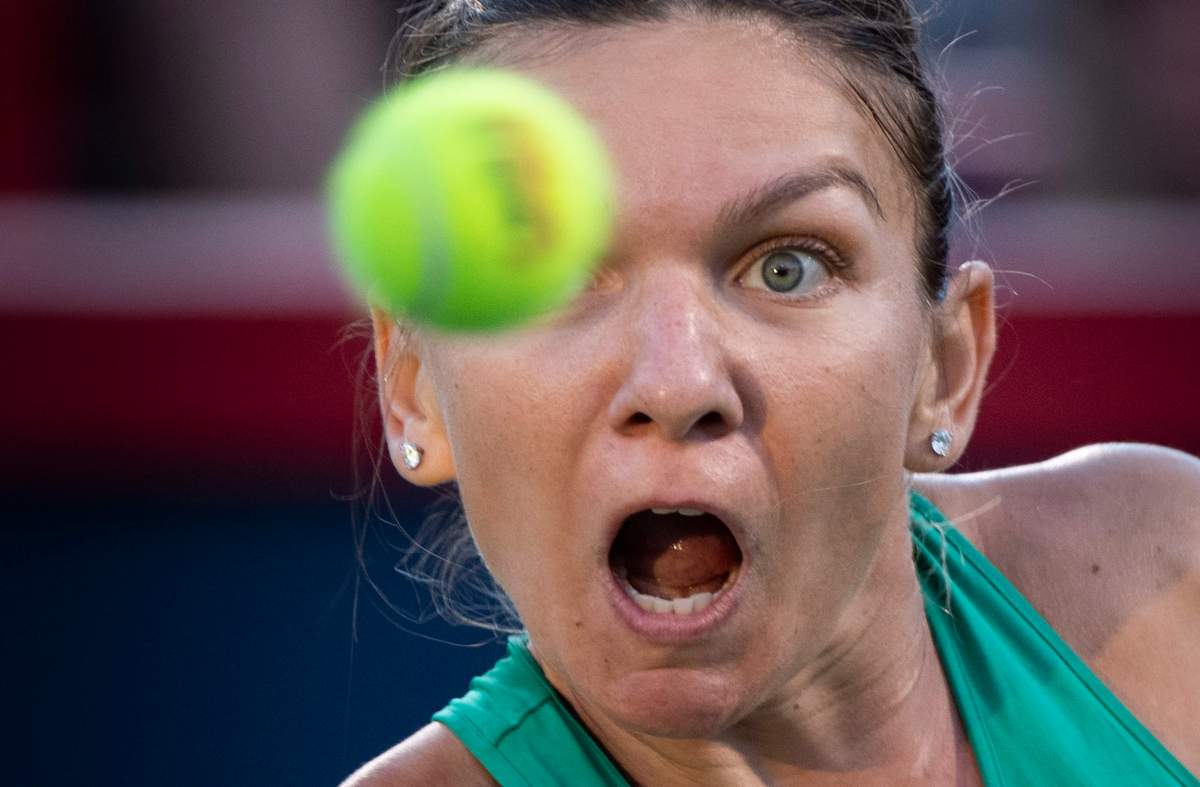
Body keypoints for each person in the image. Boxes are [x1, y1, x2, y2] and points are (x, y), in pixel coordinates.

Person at [343, 1, 1200, 784]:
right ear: (411, 387)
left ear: (946, 367)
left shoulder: (1170, 574)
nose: (677, 382)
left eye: (788, 268)